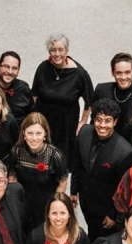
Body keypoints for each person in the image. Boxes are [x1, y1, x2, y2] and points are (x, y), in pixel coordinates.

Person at [71, 98, 132, 242]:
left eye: (107, 120)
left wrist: (114, 215)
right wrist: (73, 190)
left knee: (103, 242)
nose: (102, 125)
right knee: (91, 231)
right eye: (99, 120)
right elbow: (77, 163)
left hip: (105, 208)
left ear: (115, 122)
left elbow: (125, 188)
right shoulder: (84, 133)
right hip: (86, 199)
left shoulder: (125, 152)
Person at [32, 33, 94, 168]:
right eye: (53, 50)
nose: (57, 53)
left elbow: (89, 101)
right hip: (45, 124)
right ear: (49, 51)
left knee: (61, 165)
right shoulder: (43, 68)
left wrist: (83, 122)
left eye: (61, 49)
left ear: (67, 50)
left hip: (66, 127)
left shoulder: (79, 73)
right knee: (42, 163)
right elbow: (35, 95)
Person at [7, 112, 67, 230]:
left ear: (45, 133)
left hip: (45, 203)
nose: (34, 138)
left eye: (38, 133)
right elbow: (12, 171)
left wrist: (55, 207)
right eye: (30, 133)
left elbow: (63, 180)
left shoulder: (55, 155)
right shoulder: (16, 151)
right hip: (23, 201)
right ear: (24, 133)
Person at [93, 53, 132, 138]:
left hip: (129, 146)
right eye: (119, 73)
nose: (123, 77)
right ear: (112, 73)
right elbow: (94, 118)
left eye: (127, 72)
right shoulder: (102, 90)